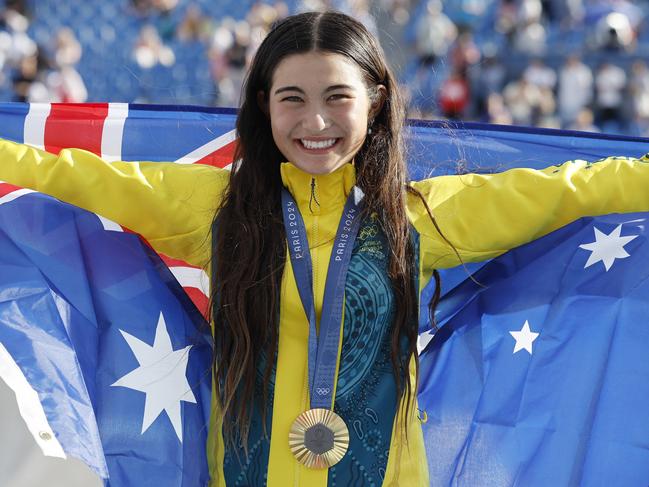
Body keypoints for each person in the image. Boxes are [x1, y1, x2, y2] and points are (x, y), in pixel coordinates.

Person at [1, 10, 649, 487]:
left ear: (376, 99)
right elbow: (67, 173)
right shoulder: (211, 208)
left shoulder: (417, 214)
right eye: (292, 99)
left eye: (337, 97)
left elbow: (568, 192)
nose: (314, 122)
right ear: (263, 106)